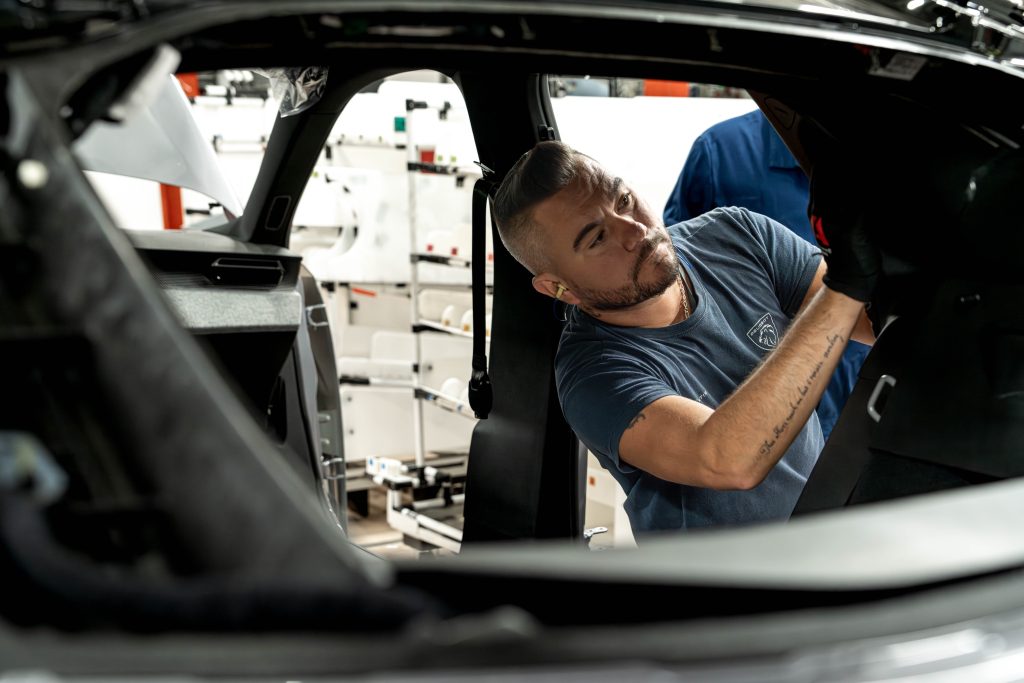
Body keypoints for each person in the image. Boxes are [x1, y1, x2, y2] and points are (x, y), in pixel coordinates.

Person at [492, 140, 877, 536]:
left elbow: (875, 320)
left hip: (825, 544)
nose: (636, 230)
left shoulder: (737, 236)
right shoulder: (593, 375)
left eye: (623, 199)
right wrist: (845, 285)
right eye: (597, 238)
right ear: (559, 288)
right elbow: (725, 458)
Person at [663, 109, 869, 440]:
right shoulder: (722, 152)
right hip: (760, 384)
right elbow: (676, 277)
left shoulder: (885, 150)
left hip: (863, 377)